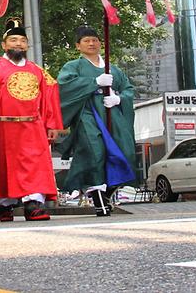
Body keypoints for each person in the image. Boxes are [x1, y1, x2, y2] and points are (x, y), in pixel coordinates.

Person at [0, 17, 63, 222]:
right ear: (4, 45)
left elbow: (50, 95)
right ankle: (3, 204)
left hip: (32, 126)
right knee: (2, 166)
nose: (18, 44)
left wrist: (52, 124)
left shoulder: (38, 71)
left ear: (27, 45)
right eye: (13, 40)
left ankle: (33, 204)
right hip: (1, 127)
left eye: (22, 41)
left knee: (35, 165)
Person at [57, 25, 137, 217]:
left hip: (112, 112)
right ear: (78, 45)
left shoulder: (113, 69)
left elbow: (128, 89)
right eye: (86, 40)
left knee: (124, 151)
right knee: (95, 151)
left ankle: (107, 193)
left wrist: (119, 99)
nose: (91, 43)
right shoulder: (73, 67)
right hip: (88, 113)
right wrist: (94, 83)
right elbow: (64, 87)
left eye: (95, 40)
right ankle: (99, 198)